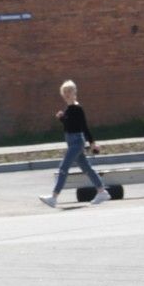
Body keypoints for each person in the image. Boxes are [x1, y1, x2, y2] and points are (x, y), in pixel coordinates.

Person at [38, 79, 111, 207]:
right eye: (65, 92)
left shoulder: (77, 108)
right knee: (87, 168)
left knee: (63, 168)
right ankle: (102, 191)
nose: (67, 94)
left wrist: (92, 143)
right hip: (72, 142)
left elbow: (84, 127)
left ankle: (54, 197)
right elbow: (70, 125)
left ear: (74, 92)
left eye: (69, 91)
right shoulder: (69, 108)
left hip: (77, 142)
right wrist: (62, 118)